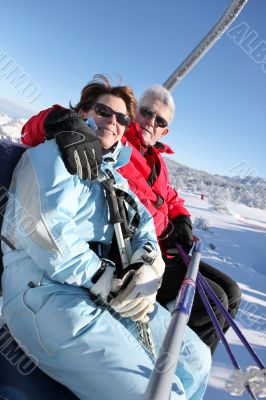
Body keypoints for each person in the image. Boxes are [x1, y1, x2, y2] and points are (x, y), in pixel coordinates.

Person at [1, 77, 211, 400]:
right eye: (103, 111)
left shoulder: (113, 173)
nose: (113, 121)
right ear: (83, 111)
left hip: (102, 294)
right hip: (45, 294)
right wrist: (106, 280)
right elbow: (48, 236)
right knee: (164, 394)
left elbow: (142, 222)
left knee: (197, 361)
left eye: (122, 118)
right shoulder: (53, 156)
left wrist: (148, 265)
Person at [20, 82, 241, 355]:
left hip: (160, 251)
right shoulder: (118, 140)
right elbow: (40, 129)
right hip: (131, 249)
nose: (150, 122)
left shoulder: (156, 160)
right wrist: (59, 121)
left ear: (165, 129)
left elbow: (169, 197)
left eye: (159, 120)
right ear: (135, 114)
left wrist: (182, 219)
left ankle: (186, 360)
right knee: (212, 300)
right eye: (146, 113)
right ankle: (170, 359)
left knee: (231, 292)